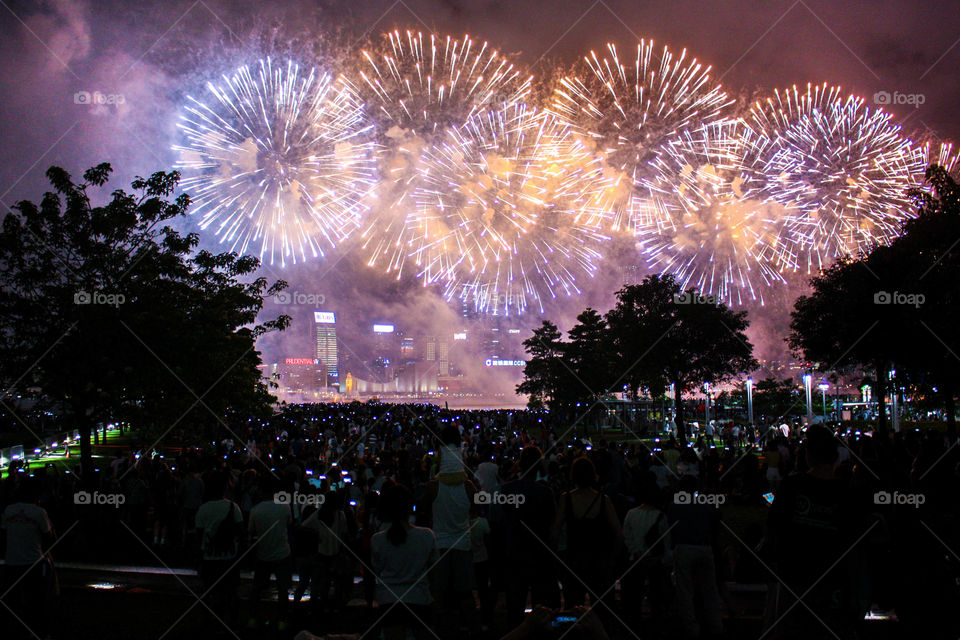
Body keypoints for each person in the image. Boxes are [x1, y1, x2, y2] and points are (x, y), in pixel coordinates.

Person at [765, 424, 861, 639]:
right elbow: (853, 544)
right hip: (832, 581)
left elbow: (774, 530)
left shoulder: (792, 486)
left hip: (796, 577)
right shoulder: (847, 493)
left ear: (807, 454)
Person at [499, 446, 560, 627]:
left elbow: (500, 521)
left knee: (515, 608)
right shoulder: (545, 492)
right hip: (538, 554)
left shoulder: (506, 490)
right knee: (541, 609)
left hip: (514, 553)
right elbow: (552, 525)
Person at [553, 457, 621, 616]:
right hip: (598, 562)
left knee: (572, 610)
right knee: (602, 611)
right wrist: (612, 560)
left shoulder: (566, 499)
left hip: (574, 560)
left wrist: (558, 559)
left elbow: (555, 532)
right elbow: (619, 534)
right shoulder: (603, 500)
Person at [424, 425, 476, 627]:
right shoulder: (469, 487)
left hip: (440, 543)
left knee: (438, 591)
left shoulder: (433, 487)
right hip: (463, 542)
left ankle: (438, 628)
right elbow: (477, 508)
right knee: (465, 592)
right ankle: (470, 628)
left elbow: (424, 510)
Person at [371, 483, 437, 640]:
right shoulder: (427, 536)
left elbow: (376, 571)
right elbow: (434, 571)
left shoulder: (378, 540)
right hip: (419, 598)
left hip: (388, 601)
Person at [667, 475, 723, 639]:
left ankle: (691, 627)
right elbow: (714, 524)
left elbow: (671, 529)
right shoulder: (705, 504)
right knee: (710, 590)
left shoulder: (674, 505)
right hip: (704, 547)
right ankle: (716, 625)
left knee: (685, 591)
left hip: (684, 547)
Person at [1, 477, 56, 640]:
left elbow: (3, 535)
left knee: (14, 601)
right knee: (38, 600)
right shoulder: (39, 512)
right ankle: (39, 632)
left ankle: (18, 630)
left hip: (12, 561)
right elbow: (50, 538)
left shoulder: (9, 510)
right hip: (34, 562)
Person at [621, 485, 672, 636]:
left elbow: (626, 536)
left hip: (636, 558)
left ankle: (634, 625)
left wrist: (635, 551)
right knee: (656, 595)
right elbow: (666, 541)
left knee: (634, 595)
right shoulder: (661, 516)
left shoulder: (631, 514)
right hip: (654, 560)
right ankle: (656, 624)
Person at [195, 472, 243, 625]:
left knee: (210, 590)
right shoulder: (233, 507)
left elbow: (199, 535)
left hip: (209, 556)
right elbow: (240, 532)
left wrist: (198, 557)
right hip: (229, 556)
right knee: (231, 591)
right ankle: (232, 621)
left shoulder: (203, 509)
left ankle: (211, 620)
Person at [248, 478, 294, 631]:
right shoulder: (285, 506)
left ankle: (253, 619)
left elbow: (251, 531)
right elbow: (289, 524)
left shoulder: (256, 510)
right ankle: (282, 621)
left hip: (263, 553)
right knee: (283, 589)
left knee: (257, 588)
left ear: (260, 492)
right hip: (282, 553)